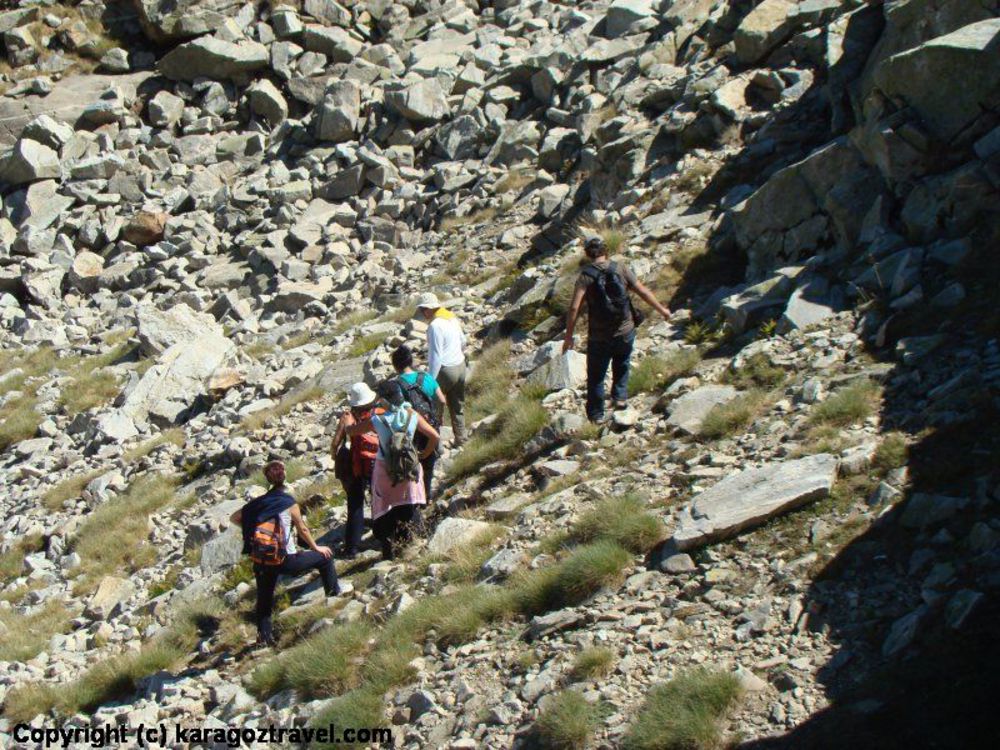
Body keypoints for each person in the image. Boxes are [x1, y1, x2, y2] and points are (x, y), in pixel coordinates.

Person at [562, 236, 672, 422]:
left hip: (599, 335)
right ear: (606, 251)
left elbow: (574, 308)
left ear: (587, 254)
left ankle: (596, 415)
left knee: (596, 376)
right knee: (622, 363)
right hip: (625, 330)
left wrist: (568, 337)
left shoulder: (585, 276)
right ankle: (620, 398)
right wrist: (663, 310)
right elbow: (643, 291)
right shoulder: (620, 268)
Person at [230, 461, 339, 648]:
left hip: (262, 560)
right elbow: (302, 529)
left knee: (264, 598)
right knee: (325, 558)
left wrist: (250, 529)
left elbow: (234, 518)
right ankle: (334, 597)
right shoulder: (287, 502)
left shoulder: (258, 504)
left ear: (268, 480)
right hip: (285, 559)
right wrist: (316, 547)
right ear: (284, 479)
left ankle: (264, 638)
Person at [346, 380, 440, 560]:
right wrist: (423, 454)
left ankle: (389, 549)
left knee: (386, 508)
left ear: (384, 400)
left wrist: (348, 421)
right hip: (409, 467)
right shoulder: (412, 415)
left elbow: (351, 431)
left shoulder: (377, 420)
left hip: (385, 469)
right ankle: (410, 544)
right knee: (408, 503)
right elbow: (434, 436)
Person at [331, 383, 382, 559]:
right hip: (376, 463)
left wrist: (334, 456)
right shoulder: (378, 413)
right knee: (378, 499)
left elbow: (335, 443)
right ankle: (381, 535)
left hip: (354, 466)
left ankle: (351, 549)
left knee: (355, 505)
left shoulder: (348, 417)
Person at [391, 344, 447, 499]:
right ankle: (427, 496)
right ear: (410, 361)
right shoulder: (426, 377)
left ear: (395, 366)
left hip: (412, 431)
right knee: (429, 463)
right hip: (431, 427)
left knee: (413, 464)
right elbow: (442, 400)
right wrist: (439, 416)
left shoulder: (397, 385)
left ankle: (415, 498)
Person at [416, 291, 467, 446]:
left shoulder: (435, 326)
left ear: (428, 309)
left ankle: (435, 445)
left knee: (434, 408)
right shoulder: (451, 317)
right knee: (457, 406)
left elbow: (436, 356)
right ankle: (461, 439)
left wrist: (430, 380)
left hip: (445, 370)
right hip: (460, 366)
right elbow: (463, 341)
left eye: (422, 309)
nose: (422, 313)